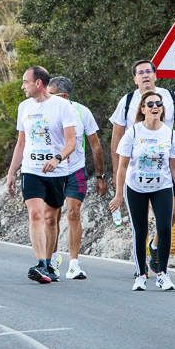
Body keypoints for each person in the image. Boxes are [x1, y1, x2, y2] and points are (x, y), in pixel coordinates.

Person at [109, 59, 175, 272]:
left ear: (156, 75)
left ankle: (155, 246)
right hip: (136, 170)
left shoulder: (170, 98)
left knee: (171, 213)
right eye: (140, 73)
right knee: (142, 218)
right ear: (134, 78)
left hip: (166, 167)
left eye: (149, 71)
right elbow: (117, 137)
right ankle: (141, 264)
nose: (145, 75)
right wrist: (117, 171)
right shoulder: (128, 101)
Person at [6, 67, 77, 283]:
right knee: (35, 214)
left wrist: (57, 158)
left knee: (50, 218)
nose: (22, 86)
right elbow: (21, 142)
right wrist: (11, 172)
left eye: (25, 82)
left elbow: (71, 142)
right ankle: (41, 264)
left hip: (57, 171)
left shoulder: (62, 106)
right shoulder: (24, 107)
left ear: (38, 83)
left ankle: (49, 261)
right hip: (31, 170)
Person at [46, 76, 107, 279]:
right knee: (52, 216)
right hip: (53, 172)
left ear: (63, 96)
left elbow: (95, 145)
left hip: (75, 169)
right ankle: (52, 260)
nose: (46, 96)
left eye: (50, 93)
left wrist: (100, 176)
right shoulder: (43, 110)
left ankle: (74, 263)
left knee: (73, 213)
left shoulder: (82, 112)